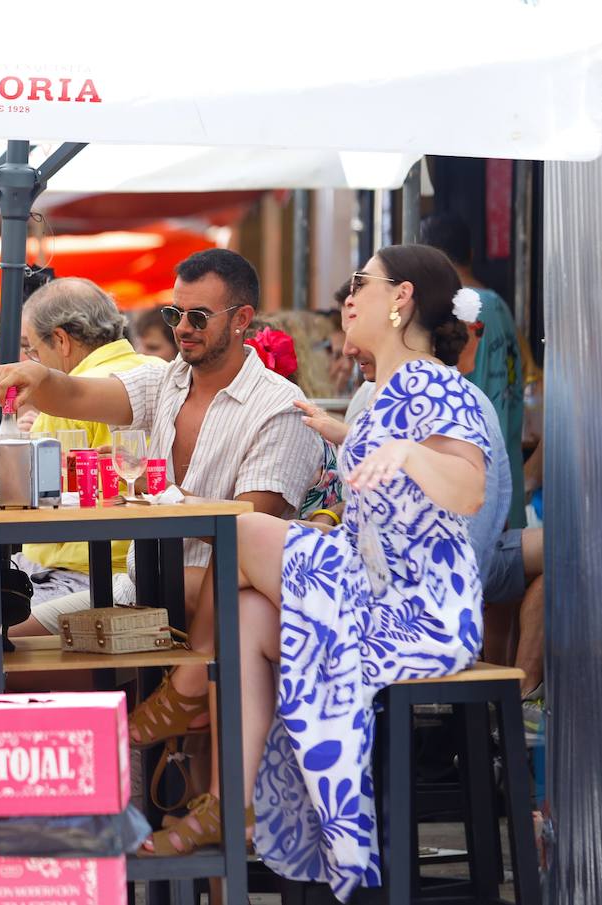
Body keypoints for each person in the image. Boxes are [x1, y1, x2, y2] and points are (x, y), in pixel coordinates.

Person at [125, 246, 490, 902]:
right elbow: (384, 506)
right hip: (373, 586)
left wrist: (403, 450)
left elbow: (467, 490)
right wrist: (349, 446)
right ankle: (228, 803)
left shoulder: (438, 383)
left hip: (419, 609)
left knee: (234, 530)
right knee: (246, 616)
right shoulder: (380, 390)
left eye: (360, 285)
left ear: (400, 297)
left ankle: (178, 698)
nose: (347, 298)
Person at [0, 249, 322, 634]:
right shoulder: (168, 380)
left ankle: (173, 691)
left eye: (198, 317)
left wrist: (159, 491)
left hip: (215, 602)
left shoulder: (281, 407)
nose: (182, 327)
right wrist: (40, 376)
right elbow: (78, 395)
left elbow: (250, 528)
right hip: (139, 587)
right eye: (174, 314)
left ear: (241, 319)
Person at [9, 277, 154, 603]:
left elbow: (34, 501)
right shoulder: (158, 369)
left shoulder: (67, 395)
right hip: (148, 564)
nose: (34, 360)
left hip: (80, 572)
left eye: (33, 349)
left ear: (60, 340)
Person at [422, 211, 525, 528]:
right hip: (507, 485)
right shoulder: (501, 307)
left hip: (478, 494)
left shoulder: (458, 311)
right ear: (470, 253)